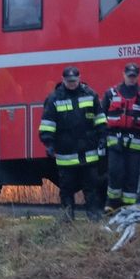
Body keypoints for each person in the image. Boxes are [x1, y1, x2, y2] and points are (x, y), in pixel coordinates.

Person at [39, 65, 106, 222]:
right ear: (63, 80)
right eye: (69, 81)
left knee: (91, 188)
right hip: (65, 154)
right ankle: (67, 219)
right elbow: (47, 125)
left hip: (88, 153)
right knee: (66, 189)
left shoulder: (90, 95)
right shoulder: (54, 99)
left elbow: (100, 119)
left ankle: (94, 218)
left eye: (74, 81)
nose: (72, 84)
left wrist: (103, 138)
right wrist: (49, 144)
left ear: (79, 78)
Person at [102, 63, 140, 209]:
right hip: (115, 140)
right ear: (124, 74)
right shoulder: (111, 94)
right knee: (115, 172)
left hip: (135, 141)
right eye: (129, 76)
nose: (131, 79)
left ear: (138, 76)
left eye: (134, 76)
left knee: (132, 175)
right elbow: (101, 118)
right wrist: (101, 139)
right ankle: (112, 205)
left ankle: (129, 207)